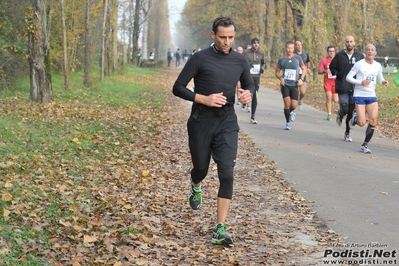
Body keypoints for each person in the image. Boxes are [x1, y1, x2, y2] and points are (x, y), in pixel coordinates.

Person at [172, 16, 255, 246]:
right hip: (201, 121)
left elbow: (249, 84)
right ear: (213, 35)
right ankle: (195, 184)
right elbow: (177, 87)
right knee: (201, 168)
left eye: (231, 37)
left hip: (227, 121)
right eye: (222, 37)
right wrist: (203, 99)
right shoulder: (200, 58)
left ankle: (220, 228)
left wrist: (247, 93)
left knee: (227, 173)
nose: (227, 42)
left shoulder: (240, 60)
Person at [345, 44, 389, 153]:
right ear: (365, 52)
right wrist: (360, 82)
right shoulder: (359, 64)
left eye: (372, 50)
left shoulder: (378, 65)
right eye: (368, 50)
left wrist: (383, 81)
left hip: (371, 95)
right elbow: (348, 77)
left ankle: (365, 145)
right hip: (359, 95)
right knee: (362, 123)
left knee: (373, 120)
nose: (370, 51)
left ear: (375, 53)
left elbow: (379, 77)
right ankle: (355, 118)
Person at [329, 36, 364, 142]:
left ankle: (347, 133)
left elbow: (364, 68)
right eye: (347, 42)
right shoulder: (340, 55)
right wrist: (338, 73)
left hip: (355, 87)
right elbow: (332, 67)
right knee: (345, 108)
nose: (349, 43)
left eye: (351, 42)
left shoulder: (359, 56)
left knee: (350, 111)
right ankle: (340, 112)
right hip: (343, 85)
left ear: (354, 43)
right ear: (345, 43)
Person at [275, 41, 307, 130]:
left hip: (295, 84)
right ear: (285, 48)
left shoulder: (298, 58)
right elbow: (277, 71)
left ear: (294, 49)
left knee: (294, 105)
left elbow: (304, 69)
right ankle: (288, 122)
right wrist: (280, 78)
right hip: (285, 84)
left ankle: (292, 111)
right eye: (288, 48)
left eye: (291, 48)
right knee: (287, 103)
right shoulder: (282, 59)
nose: (290, 50)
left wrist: (301, 79)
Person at [243, 38, 265, 124]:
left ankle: (253, 116)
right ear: (252, 44)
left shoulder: (261, 53)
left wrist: (262, 69)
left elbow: (263, 63)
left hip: (256, 77)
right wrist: (249, 65)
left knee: (255, 95)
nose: (256, 44)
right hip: (247, 76)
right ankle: (244, 103)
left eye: (257, 43)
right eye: (254, 43)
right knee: (247, 92)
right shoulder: (246, 52)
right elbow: (243, 62)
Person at [318, 46, 338, 121]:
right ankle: (329, 114)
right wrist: (324, 71)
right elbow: (319, 71)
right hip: (328, 81)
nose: (331, 53)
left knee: (336, 100)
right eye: (330, 51)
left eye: (333, 51)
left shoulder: (338, 60)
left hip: (336, 81)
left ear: (335, 52)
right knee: (329, 96)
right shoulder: (324, 60)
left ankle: (328, 104)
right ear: (327, 52)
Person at [294, 40, 311, 111]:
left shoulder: (305, 54)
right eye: (297, 45)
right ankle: (293, 105)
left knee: (303, 92)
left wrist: (308, 68)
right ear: (295, 46)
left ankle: (300, 100)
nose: (299, 46)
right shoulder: (293, 54)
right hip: (294, 74)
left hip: (302, 74)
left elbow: (308, 62)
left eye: (300, 45)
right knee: (294, 91)